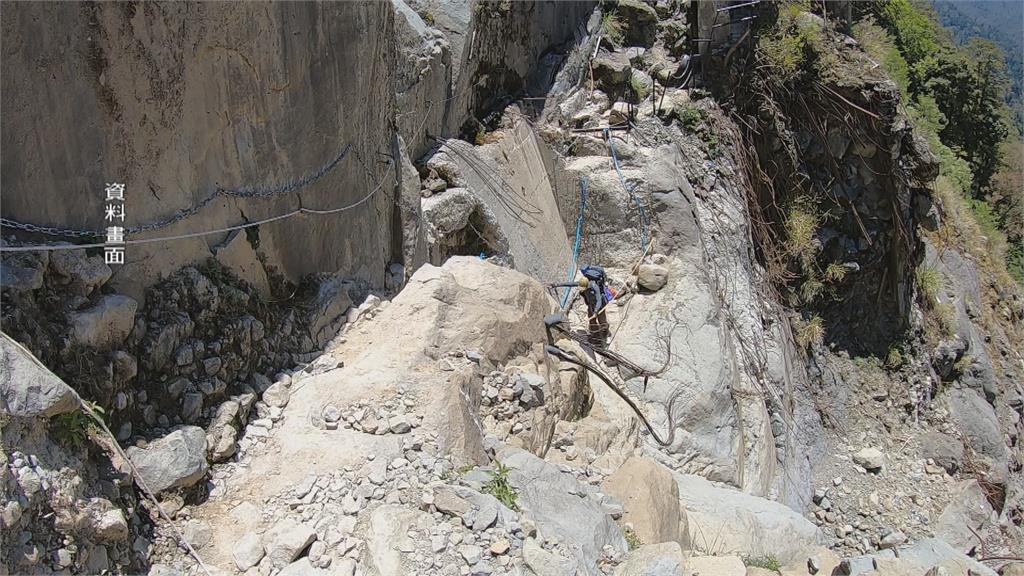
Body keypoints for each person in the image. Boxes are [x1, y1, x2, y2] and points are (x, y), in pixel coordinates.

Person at [573, 266, 613, 350]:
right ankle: (595, 337)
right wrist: (556, 285)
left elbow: (598, 300)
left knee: (602, 321)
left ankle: (605, 334)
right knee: (592, 321)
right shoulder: (582, 283)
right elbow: (570, 284)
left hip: (600, 306)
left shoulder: (595, 286)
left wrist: (596, 312)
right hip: (591, 305)